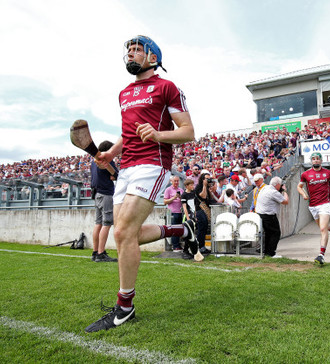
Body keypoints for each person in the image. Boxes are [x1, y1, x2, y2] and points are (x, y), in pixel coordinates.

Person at [86, 35, 200, 333]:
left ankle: (125, 308)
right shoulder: (124, 93)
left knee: (122, 231)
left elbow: (188, 131)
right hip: (126, 168)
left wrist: (159, 134)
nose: (131, 54)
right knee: (126, 237)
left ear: (152, 57)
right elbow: (128, 133)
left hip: (152, 164)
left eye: (137, 50)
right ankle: (178, 230)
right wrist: (111, 153)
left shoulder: (167, 87)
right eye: (128, 50)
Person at [297, 152, 330, 265]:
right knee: (323, 227)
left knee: (322, 229)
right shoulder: (306, 174)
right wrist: (303, 194)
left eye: (317, 159)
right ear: (311, 161)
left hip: (325, 204)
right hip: (313, 205)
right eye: (313, 159)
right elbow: (299, 186)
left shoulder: (328, 173)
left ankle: (321, 255)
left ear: (321, 160)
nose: (315, 160)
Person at [90, 140, 118, 263]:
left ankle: (95, 252)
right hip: (105, 193)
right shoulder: (106, 160)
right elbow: (116, 174)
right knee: (106, 223)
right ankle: (101, 253)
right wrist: (113, 176)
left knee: (98, 223)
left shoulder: (93, 162)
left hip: (97, 193)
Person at [256, 176, 289, 257]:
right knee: (275, 233)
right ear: (277, 184)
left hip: (261, 214)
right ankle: (271, 253)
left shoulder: (265, 188)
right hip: (269, 215)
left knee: (268, 234)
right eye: (280, 185)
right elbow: (285, 201)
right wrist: (284, 191)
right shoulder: (273, 192)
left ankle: (266, 251)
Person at [163, 175, 184, 252]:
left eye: (177, 181)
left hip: (180, 212)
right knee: (174, 229)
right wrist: (174, 198)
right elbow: (165, 201)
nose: (176, 182)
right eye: (175, 181)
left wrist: (181, 198)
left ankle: (178, 245)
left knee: (179, 229)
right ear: (171, 181)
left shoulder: (181, 190)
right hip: (172, 212)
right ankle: (175, 246)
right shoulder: (168, 190)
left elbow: (184, 200)